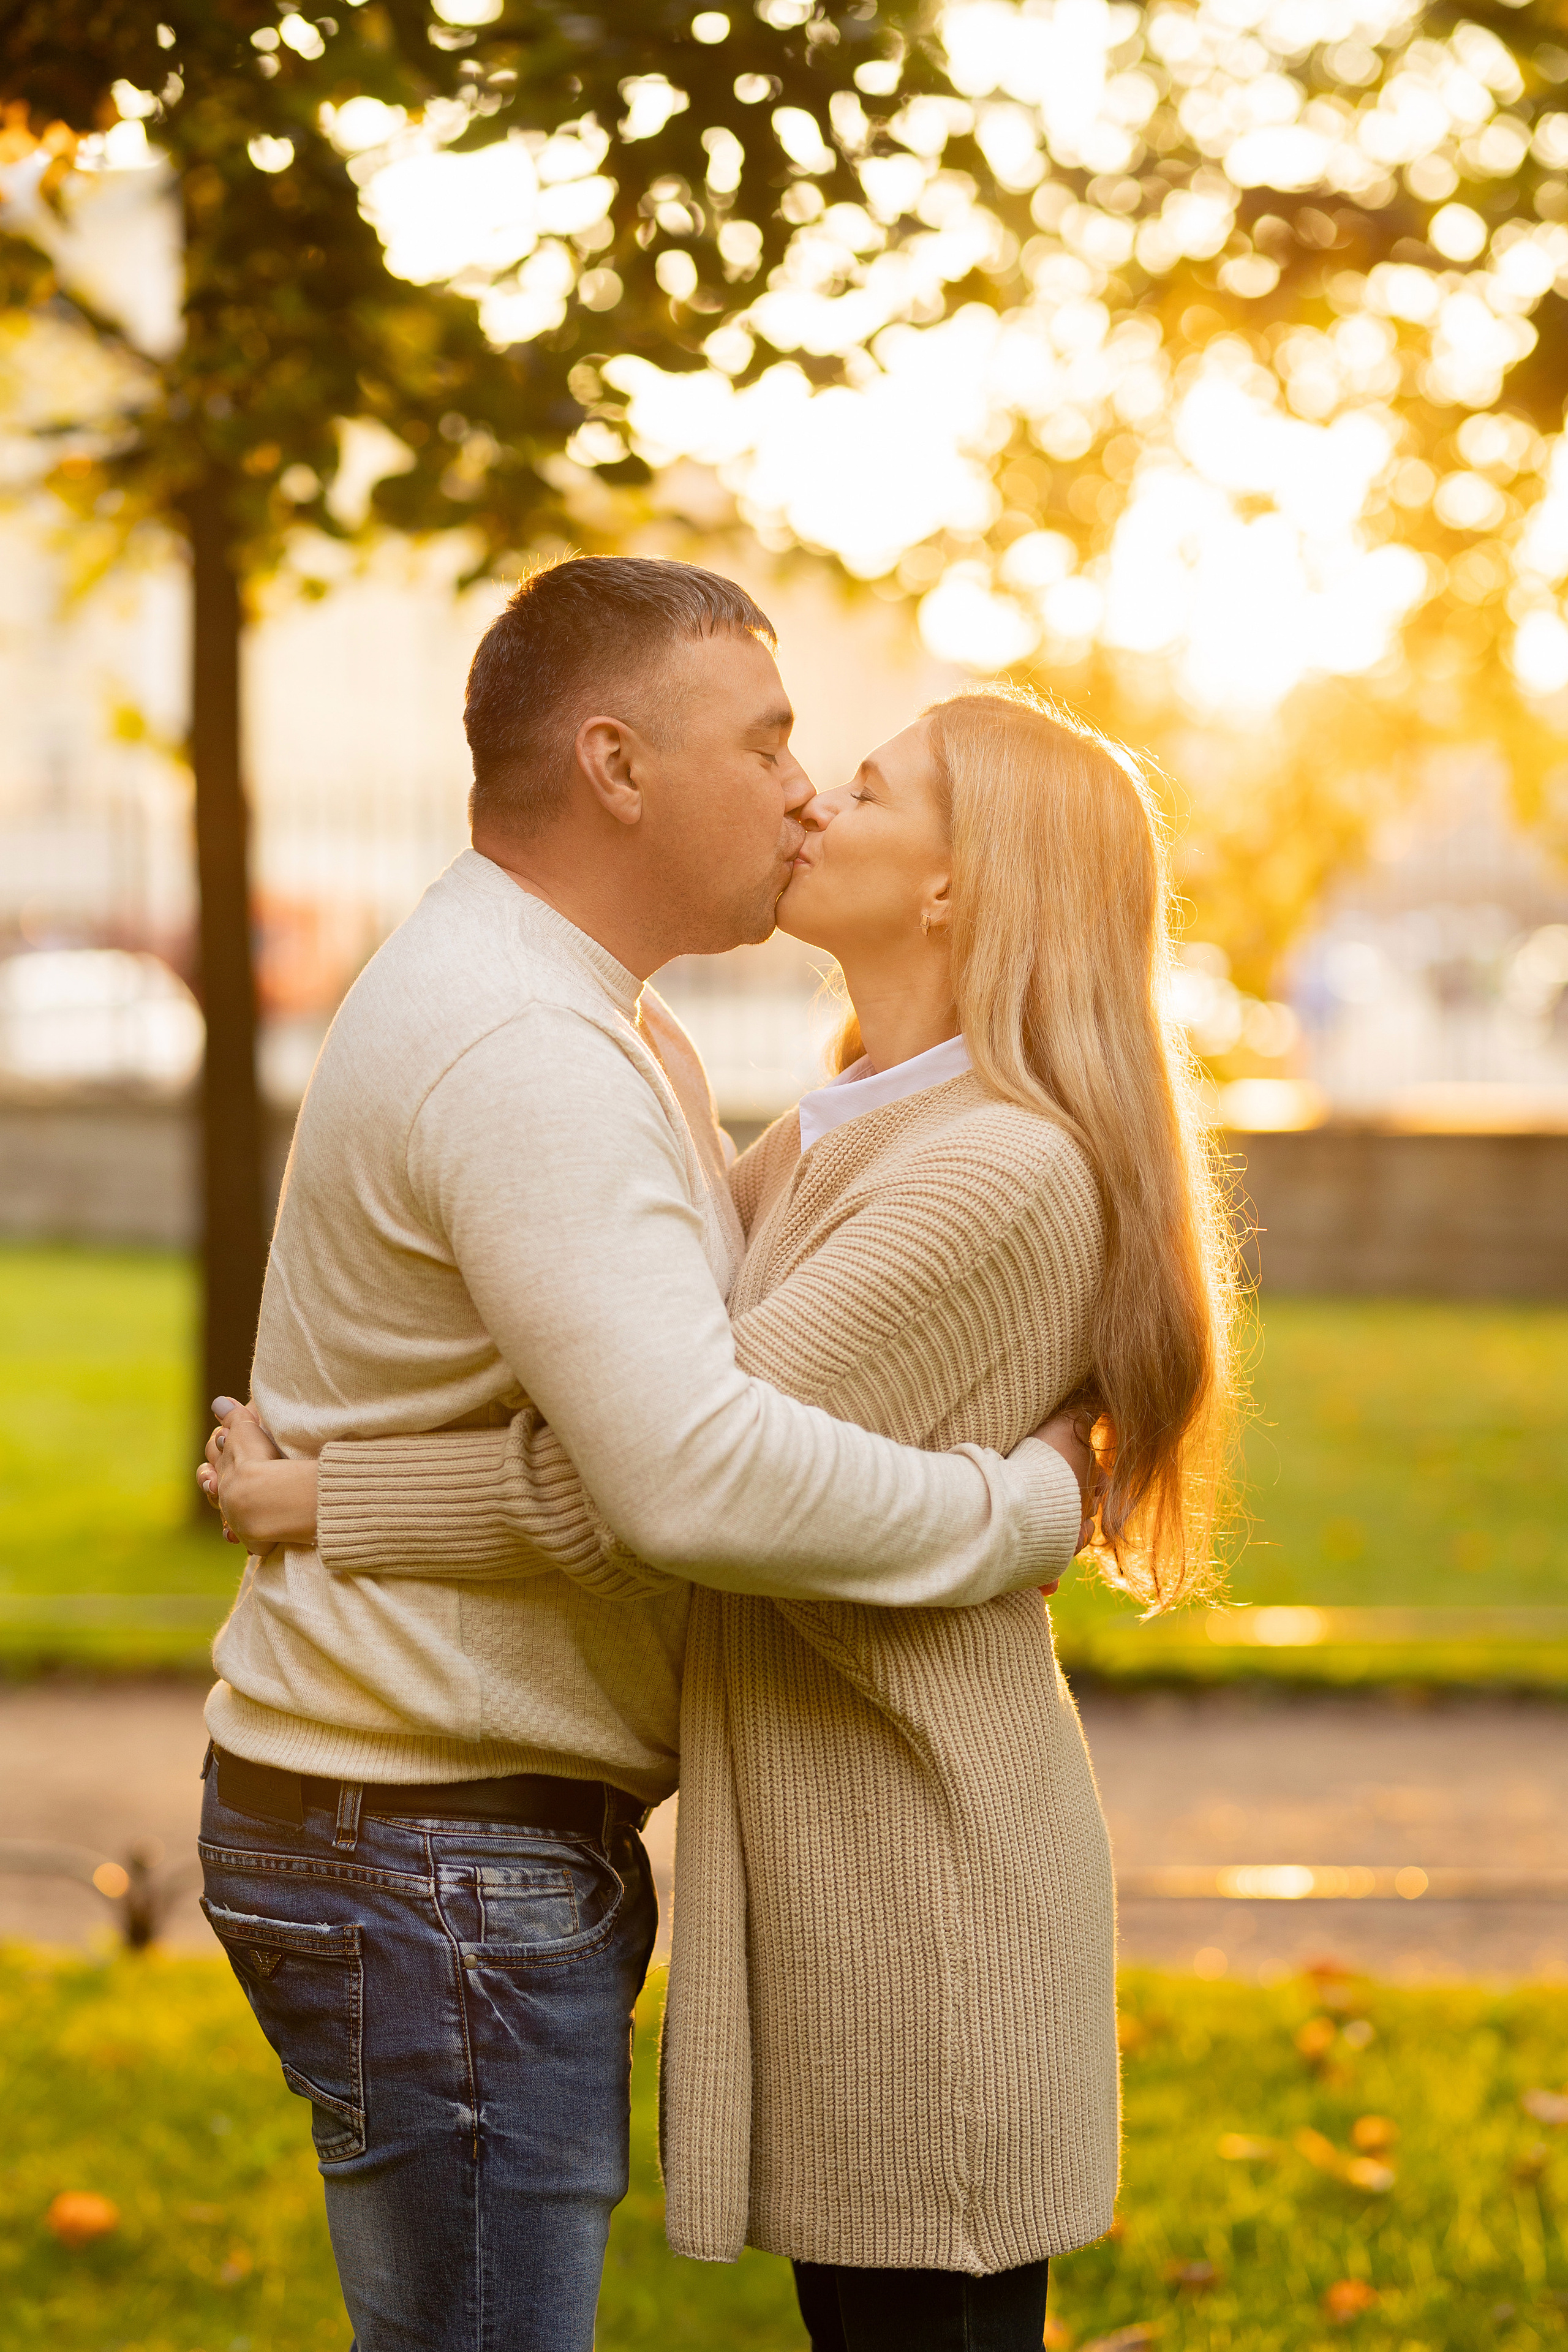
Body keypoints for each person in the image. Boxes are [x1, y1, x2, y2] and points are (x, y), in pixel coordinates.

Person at [210, 680, 1239, 2352]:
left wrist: (335, 1496)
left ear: (955, 886)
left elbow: (663, 1489)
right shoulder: (857, 1124)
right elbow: (671, 1432)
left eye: (869, 786)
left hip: (922, 1887)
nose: (813, 798)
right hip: (852, 1859)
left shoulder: (990, 1170)